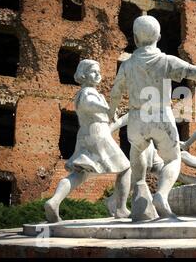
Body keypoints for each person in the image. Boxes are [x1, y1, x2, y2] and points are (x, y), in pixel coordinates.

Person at [109, 15, 196, 218]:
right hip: (161, 115)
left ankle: (139, 193)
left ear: (135, 39)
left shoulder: (127, 65)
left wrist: (111, 113)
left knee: (137, 152)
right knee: (173, 159)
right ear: (159, 37)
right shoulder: (165, 61)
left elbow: (116, 92)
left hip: (136, 117)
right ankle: (161, 195)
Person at [45, 60, 131, 222]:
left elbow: (104, 116)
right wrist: (107, 109)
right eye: (93, 71)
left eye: (99, 71)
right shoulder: (87, 92)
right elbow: (89, 104)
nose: (98, 75)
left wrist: (116, 116)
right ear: (83, 74)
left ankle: (54, 201)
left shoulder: (91, 93)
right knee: (126, 168)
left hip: (87, 134)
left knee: (80, 173)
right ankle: (120, 208)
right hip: (98, 134)